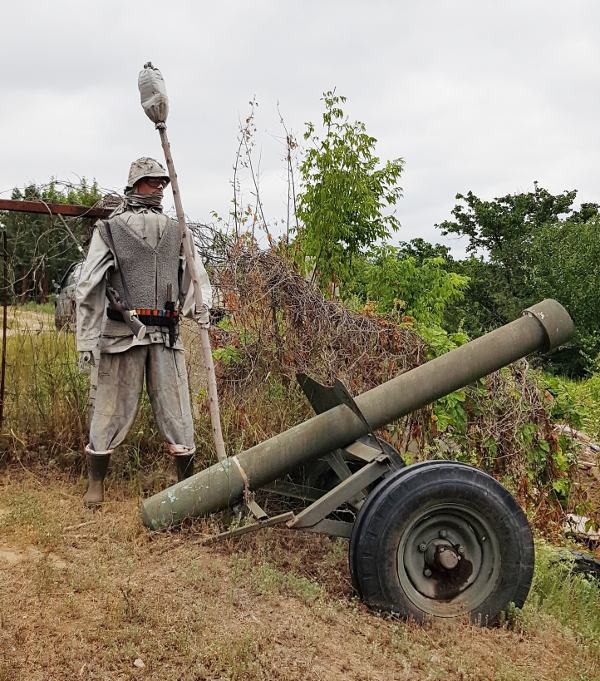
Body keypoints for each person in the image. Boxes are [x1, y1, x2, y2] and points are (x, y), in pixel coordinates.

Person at [76, 157, 212, 506]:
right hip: (122, 336)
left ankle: (187, 488)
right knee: (109, 408)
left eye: (162, 181)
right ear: (136, 183)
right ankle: (96, 482)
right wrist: (88, 338)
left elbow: (194, 275)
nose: (159, 186)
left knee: (177, 409)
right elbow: (89, 283)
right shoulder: (110, 229)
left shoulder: (176, 228)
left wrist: (203, 307)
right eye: (152, 181)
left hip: (166, 336)